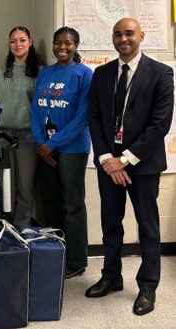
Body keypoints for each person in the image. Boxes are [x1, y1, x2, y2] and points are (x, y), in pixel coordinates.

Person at [87, 18, 174, 316]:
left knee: (148, 227)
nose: (123, 39)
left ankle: (148, 286)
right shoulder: (101, 74)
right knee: (111, 224)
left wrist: (122, 160)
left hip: (143, 165)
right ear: (112, 38)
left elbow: (159, 124)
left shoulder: (161, 73)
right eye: (118, 34)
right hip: (107, 164)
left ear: (141, 36)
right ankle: (111, 277)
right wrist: (106, 160)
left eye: (129, 34)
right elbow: (94, 119)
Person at [31, 27, 92, 278]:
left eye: (68, 43)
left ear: (76, 45)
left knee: (72, 205)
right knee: (51, 204)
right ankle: (55, 254)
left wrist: (52, 144)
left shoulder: (84, 74)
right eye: (58, 43)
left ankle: (76, 262)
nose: (62, 47)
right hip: (46, 148)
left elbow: (83, 117)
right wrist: (41, 142)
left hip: (72, 149)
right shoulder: (46, 72)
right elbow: (36, 109)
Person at [0, 26, 40, 226]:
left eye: (22, 40)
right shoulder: (0, 71)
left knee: (25, 186)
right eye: (13, 41)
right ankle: (3, 225)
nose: (18, 44)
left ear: (30, 42)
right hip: (2, 134)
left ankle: (22, 227)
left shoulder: (39, 72)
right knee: (4, 183)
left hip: (28, 135)